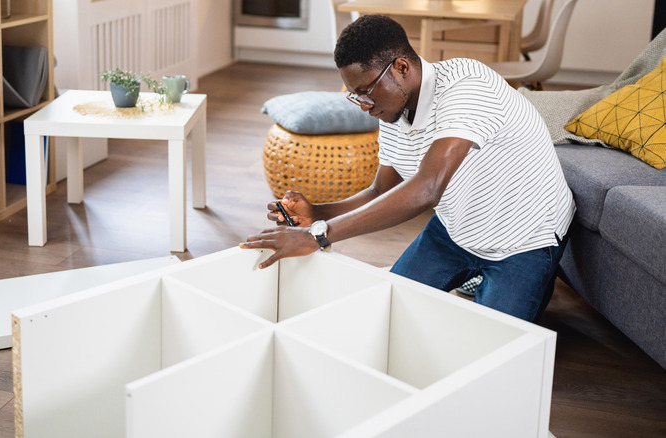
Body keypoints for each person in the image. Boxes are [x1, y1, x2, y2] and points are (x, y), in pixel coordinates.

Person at [240, 14, 575, 322]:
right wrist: (317, 212)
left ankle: (539, 277)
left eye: (366, 92)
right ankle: (482, 279)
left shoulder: (467, 88)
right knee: (389, 310)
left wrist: (318, 236)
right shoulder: (392, 108)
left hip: (526, 237)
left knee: (491, 340)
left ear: (401, 67)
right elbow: (382, 190)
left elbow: (427, 190)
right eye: (355, 96)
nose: (364, 106)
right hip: (457, 229)